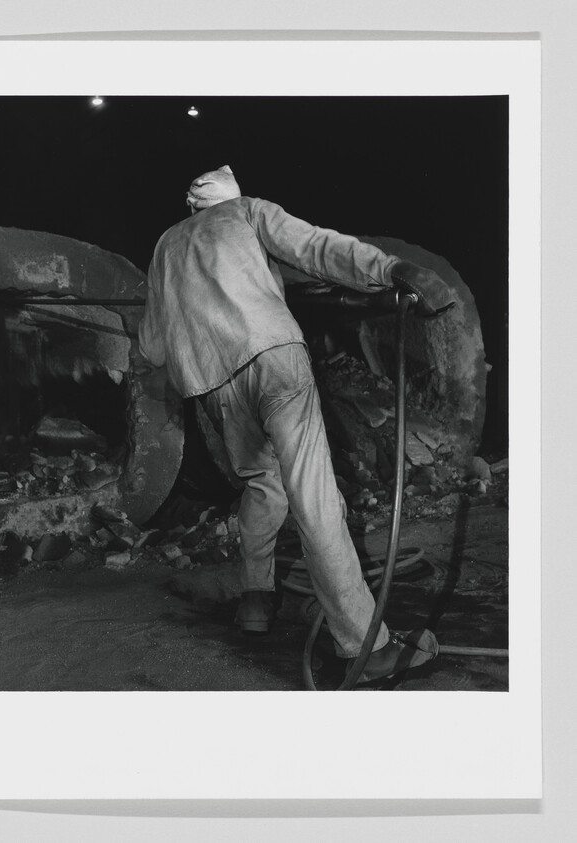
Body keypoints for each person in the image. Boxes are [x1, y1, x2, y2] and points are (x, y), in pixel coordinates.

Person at [139, 165, 452, 684]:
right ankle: (362, 645)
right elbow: (315, 247)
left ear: (193, 208)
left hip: (214, 382)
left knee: (262, 484)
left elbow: (152, 346)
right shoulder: (247, 211)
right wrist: (392, 268)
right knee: (314, 498)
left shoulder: (166, 246)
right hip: (273, 354)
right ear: (229, 199)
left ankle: (255, 599)